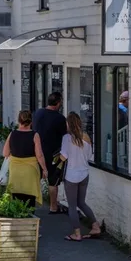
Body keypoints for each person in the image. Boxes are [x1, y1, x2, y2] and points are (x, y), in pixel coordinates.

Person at [59, 111, 101, 241]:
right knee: (81, 202)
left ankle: (77, 234)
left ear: (69, 124)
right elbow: (89, 155)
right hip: (84, 174)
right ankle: (95, 226)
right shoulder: (86, 137)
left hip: (71, 176)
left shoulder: (67, 138)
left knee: (72, 206)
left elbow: (63, 157)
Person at [2, 110, 48, 208]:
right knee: (30, 199)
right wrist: (44, 169)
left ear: (19, 120)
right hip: (30, 171)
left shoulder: (12, 134)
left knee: (16, 198)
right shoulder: (35, 135)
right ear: (31, 121)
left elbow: (5, 153)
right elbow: (39, 155)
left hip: (15, 171)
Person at [32, 92, 67, 213]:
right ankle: (53, 207)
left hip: (36, 151)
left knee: (35, 179)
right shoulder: (60, 118)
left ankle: (29, 206)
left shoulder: (37, 113)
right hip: (53, 154)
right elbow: (65, 136)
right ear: (58, 103)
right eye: (61, 102)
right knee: (53, 182)